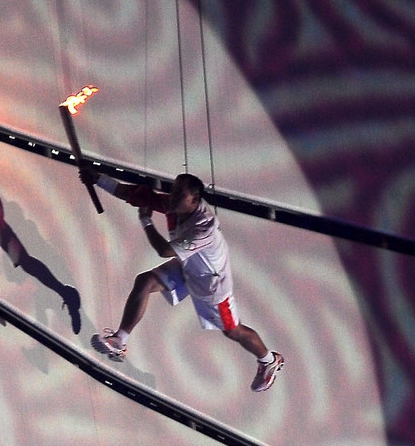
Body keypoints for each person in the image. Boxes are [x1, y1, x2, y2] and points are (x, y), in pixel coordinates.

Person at [80, 166, 283, 392]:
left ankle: (269, 360)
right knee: (144, 281)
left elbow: (164, 251)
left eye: (179, 193)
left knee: (233, 331)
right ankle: (119, 341)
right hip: (187, 266)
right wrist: (97, 179)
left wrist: (146, 221)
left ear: (194, 199)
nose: (173, 196)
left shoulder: (203, 228)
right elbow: (129, 193)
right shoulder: (173, 205)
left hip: (210, 284)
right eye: (173, 190)